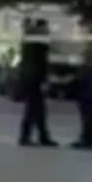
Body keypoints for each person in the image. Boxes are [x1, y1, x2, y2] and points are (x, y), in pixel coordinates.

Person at [17, 17, 56, 146]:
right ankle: (27, 136)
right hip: (33, 79)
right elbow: (39, 64)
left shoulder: (31, 42)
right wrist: (43, 80)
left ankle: (42, 136)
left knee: (38, 109)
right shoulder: (37, 44)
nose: (48, 31)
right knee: (34, 109)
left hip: (31, 78)